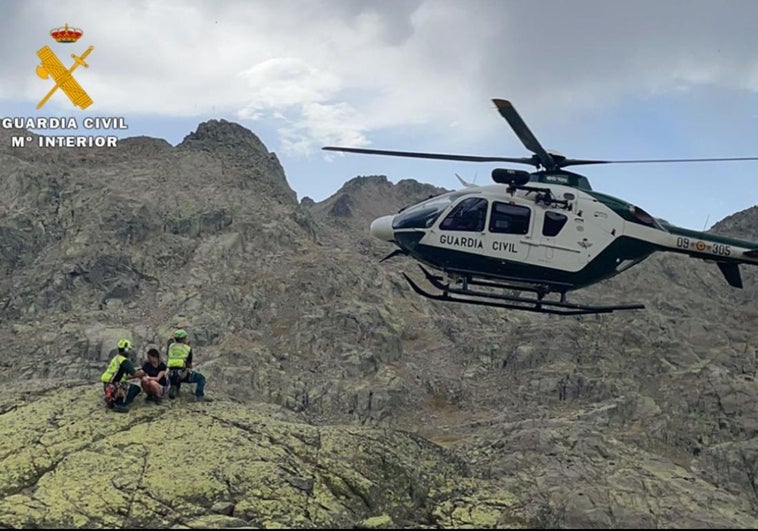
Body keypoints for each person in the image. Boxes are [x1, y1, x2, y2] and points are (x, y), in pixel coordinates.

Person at [100, 338, 144, 413]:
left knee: (126, 385)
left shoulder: (116, 358)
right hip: (114, 385)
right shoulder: (124, 361)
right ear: (126, 350)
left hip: (107, 385)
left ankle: (111, 398)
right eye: (129, 350)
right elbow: (135, 373)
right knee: (135, 388)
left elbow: (122, 375)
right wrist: (144, 372)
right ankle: (119, 404)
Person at [166, 329, 209, 401]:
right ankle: (199, 395)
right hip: (182, 374)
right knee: (201, 378)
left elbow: (169, 341)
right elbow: (189, 364)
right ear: (183, 339)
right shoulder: (187, 348)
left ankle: (174, 388)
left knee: (175, 379)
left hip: (171, 374)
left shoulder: (171, 346)